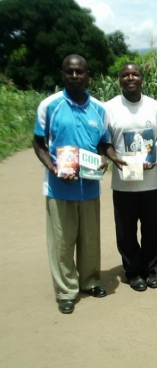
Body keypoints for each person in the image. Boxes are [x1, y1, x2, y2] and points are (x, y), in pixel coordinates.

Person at [33, 54, 113, 314]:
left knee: (90, 239)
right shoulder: (50, 105)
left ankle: (89, 281)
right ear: (63, 74)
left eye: (80, 72)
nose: (75, 76)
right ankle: (66, 291)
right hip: (59, 187)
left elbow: (103, 142)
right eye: (70, 72)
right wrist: (53, 167)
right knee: (62, 241)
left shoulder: (99, 109)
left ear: (87, 74)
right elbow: (38, 142)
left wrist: (104, 159)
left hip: (89, 187)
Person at [104, 63, 157, 292]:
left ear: (142, 78)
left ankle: (149, 269)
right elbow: (105, 141)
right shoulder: (109, 108)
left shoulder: (154, 107)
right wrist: (115, 159)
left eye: (135, 74)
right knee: (126, 230)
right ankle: (133, 271)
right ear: (119, 79)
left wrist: (153, 155)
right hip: (124, 183)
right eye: (125, 74)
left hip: (151, 180)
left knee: (152, 228)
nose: (130, 77)